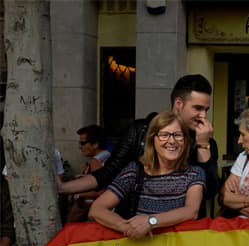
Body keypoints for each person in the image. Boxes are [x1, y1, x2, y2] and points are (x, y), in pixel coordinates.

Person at [58, 74, 218, 219]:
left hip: (181, 233)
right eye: (197, 108)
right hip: (136, 226)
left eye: (206, 110)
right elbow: (110, 171)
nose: (203, 116)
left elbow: (209, 191)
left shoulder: (205, 141)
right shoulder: (140, 131)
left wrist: (203, 145)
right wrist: (63, 188)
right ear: (178, 104)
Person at [88, 111, 205, 239]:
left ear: (186, 141)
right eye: (164, 135)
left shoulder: (194, 173)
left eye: (178, 135)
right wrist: (127, 227)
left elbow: (191, 211)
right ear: (152, 140)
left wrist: (151, 221)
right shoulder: (135, 171)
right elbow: (97, 209)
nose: (172, 141)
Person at [65, 125, 111, 222]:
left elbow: (99, 191)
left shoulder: (96, 161)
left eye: (83, 143)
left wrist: (76, 194)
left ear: (95, 144)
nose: (80, 147)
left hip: (90, 210)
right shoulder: (109, 156)